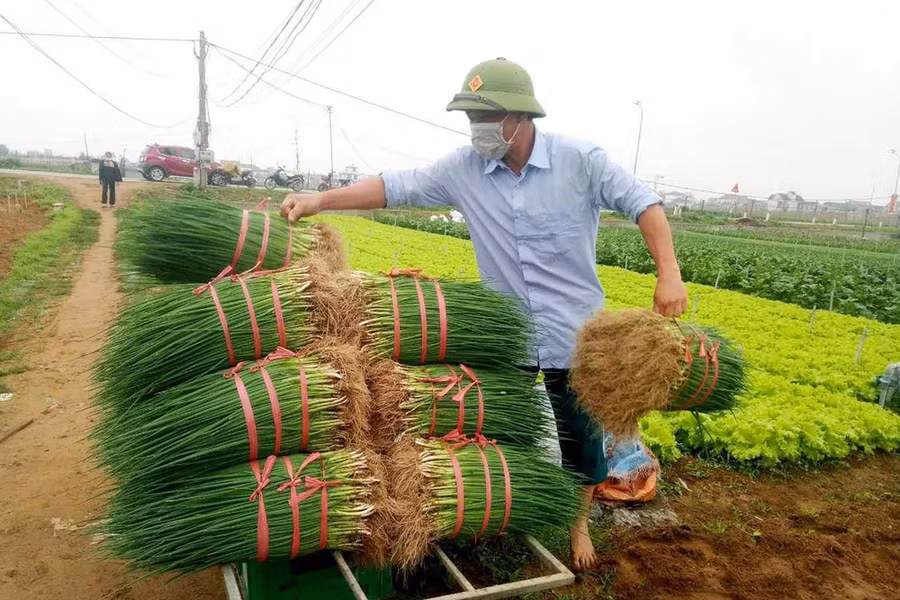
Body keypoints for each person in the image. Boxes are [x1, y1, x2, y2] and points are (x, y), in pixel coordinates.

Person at [280, 57, 688, 568]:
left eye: (484, 118)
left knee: (583, 440)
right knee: (500, 428)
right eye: (470, 119)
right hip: (506, 334)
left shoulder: (580, 160)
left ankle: (579, 525)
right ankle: (505, 504)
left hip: (577, 335)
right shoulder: (463, 170)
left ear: (519, 118)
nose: (476, 130)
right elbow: (394, 187)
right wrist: (321, 199)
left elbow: (643, 203)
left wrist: (668, 272)